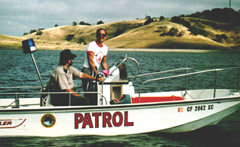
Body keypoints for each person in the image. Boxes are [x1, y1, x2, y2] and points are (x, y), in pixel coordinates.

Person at [81, 28, 109, 96]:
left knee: (96, 89)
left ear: (105, 37)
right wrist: (97, 74)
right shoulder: (92, 45)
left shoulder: (105, 48)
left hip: (96, 70)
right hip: (88, 69)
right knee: (88, 90)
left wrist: (108, 72)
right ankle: (88, 103)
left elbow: (103, 63)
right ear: (96, 36)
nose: (101, 36)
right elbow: (91, 61)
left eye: (103, 35)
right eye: (99, 35)